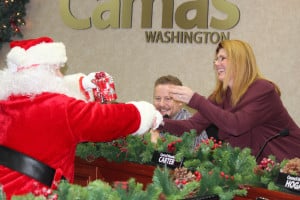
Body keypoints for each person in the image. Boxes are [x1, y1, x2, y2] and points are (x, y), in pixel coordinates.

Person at [0, 36, 162, 199]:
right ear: (42, 72)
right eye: (56, 69)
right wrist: (142, 113)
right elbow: (104, 120)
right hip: (38, 193)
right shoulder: (57, 107)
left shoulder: (7, 101)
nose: (60, 75)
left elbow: (53, 91)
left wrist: (82, 84)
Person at [158, 39, 300, 163]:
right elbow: (190, 127)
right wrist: (155, 121)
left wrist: (195, 99)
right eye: (216, 59)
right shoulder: (220, 95)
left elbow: (236, 125)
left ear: (239, 61)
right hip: (253, 169)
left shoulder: (263, 90)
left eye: (222, 58)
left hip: (288, 165)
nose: (216, 64)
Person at [151, 75, 208, 145]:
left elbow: (185, 155)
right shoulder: (150, 121)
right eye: (158, 98)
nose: (161, 104)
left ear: (180, 101)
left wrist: (155, 145)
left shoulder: (191, 127)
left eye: (168, 99)